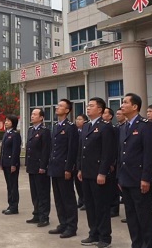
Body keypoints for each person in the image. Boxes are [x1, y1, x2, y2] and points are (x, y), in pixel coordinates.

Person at [117, 93, 152, 248]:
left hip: (139, 178)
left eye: (125, 102)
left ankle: (149, 245)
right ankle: (137, 244)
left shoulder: (146, 126)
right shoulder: (124, 127)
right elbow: (121, 154)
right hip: (126, 179)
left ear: (135, 106)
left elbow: (149, 154)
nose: (122, 105)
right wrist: (119, 177)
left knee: (143, 216)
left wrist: (146, 178)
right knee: (131, 216)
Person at [78, 97, 116, 248]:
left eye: (91, 106)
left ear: (100, 109)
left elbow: (108, 152)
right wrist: (80, 168)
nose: (88, 108)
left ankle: (105, 237)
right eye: (88, 105)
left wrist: (103, 172)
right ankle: (93, 234)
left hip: (98, 173)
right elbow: (82, 150)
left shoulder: (105, 127)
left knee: (101, 206)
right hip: (86, 172)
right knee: (90, 205)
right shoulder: (86, 126)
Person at [46, 99, 79, 238]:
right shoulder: (55, 126)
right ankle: (63, 223)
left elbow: (72, 149)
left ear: (67, 110)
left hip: (64, 168)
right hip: (54, 167)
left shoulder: (71, 127)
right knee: (58, 198)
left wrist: (68, 168)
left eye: (60, 106)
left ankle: (71, 226)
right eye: (57, 105)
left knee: (68, 199)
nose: (57, 107)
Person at [25, 107, 51, 227]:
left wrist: (43, 166)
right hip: (32, 165)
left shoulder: (45, 131)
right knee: (34, 192)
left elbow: (46, 150)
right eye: (32, 114)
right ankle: (36, 214)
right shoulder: (30, 130)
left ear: (41, 117)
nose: (32, 116)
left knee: (42, 192)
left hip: (40, 166)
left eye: (35, 114)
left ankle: (44, 217)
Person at [0, 115, 21, 215]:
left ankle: (14, 207)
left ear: (13, 123)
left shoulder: (15, 134)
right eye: (6, 120)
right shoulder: (6, 134)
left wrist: (13, 164)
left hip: (11, 164)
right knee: (9, 185)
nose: (6, 122)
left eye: (8, 121)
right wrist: (1, 162)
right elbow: (3, 150)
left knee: (13, 185)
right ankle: (10, 204)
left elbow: (15, 151)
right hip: (5, 163)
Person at [74, 113, 88, 210]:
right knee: (77, 183)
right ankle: (81, 199)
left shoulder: (86, 131)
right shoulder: (75, 131)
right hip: (76, 160)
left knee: (83, 183)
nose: (77, 121)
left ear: (85, 121)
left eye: (80, 119)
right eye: (77, 119)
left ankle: (86, 201)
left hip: (84, 161)